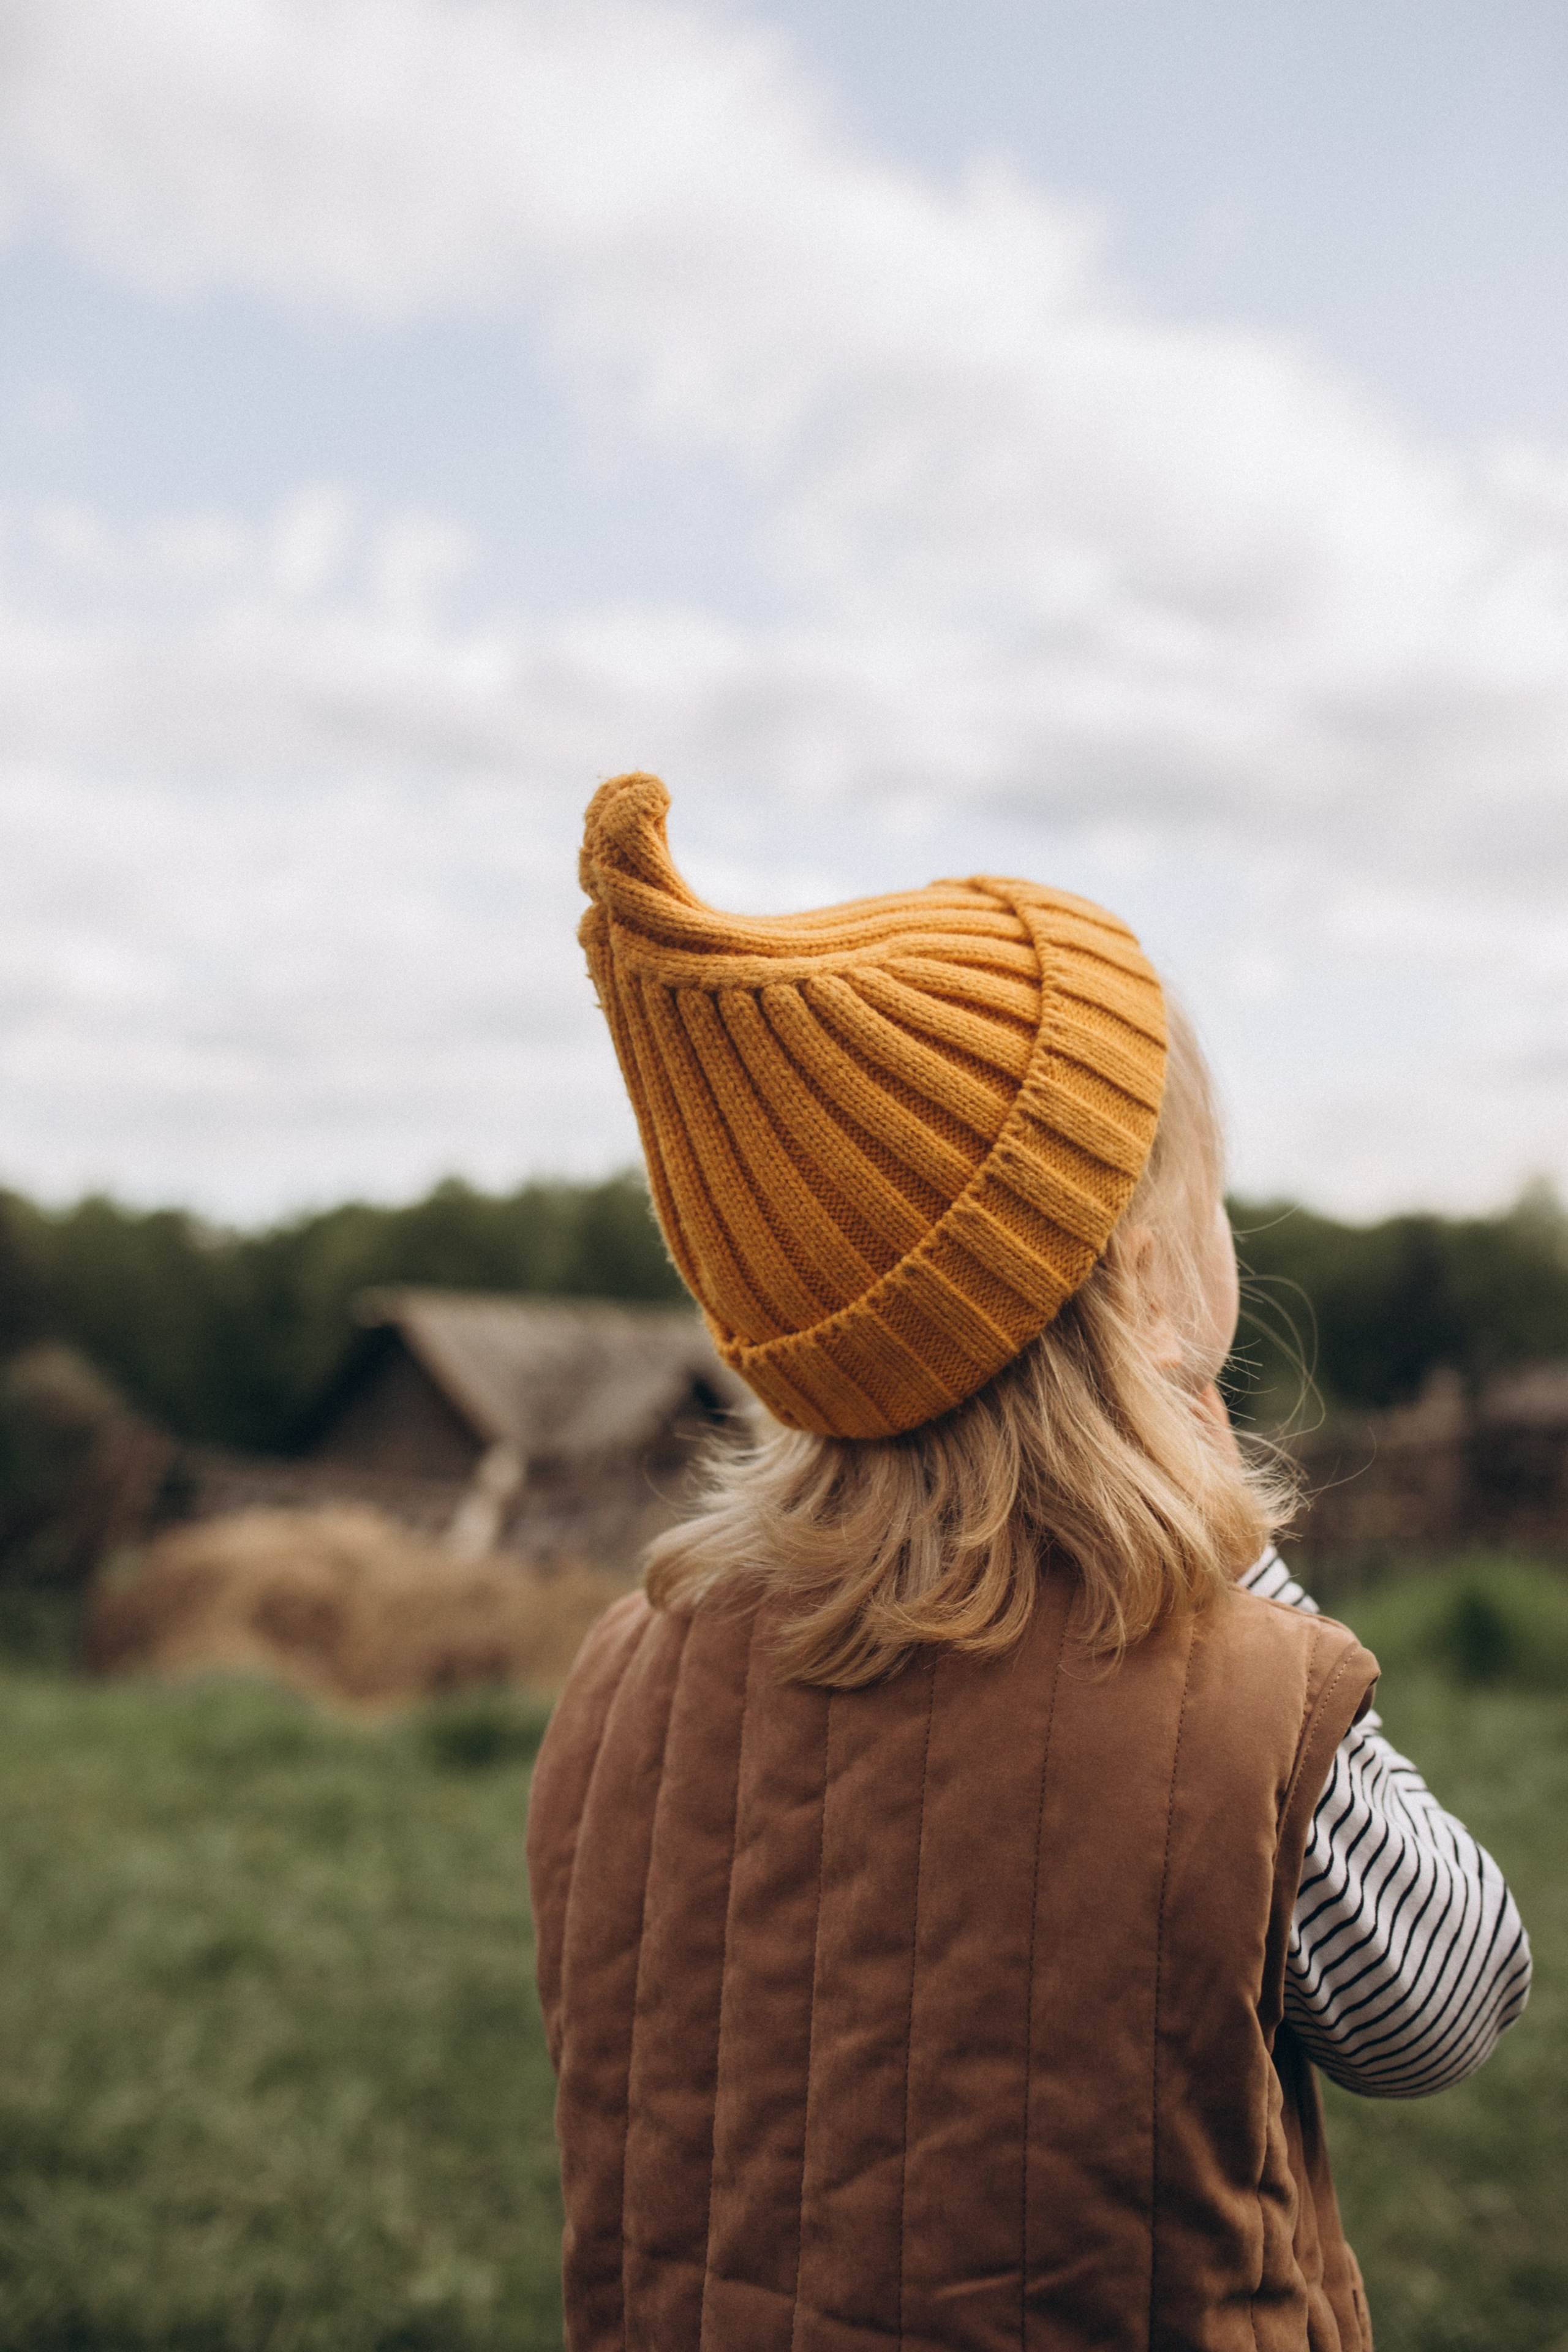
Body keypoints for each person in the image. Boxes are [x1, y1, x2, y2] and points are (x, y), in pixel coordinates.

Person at [527, 771, 1529, 2352]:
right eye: (1216, 1207)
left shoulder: (619, 1678)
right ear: (1145, 1285)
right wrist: (1235, 1573)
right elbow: (1451, 1997)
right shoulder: (1228, 1695)